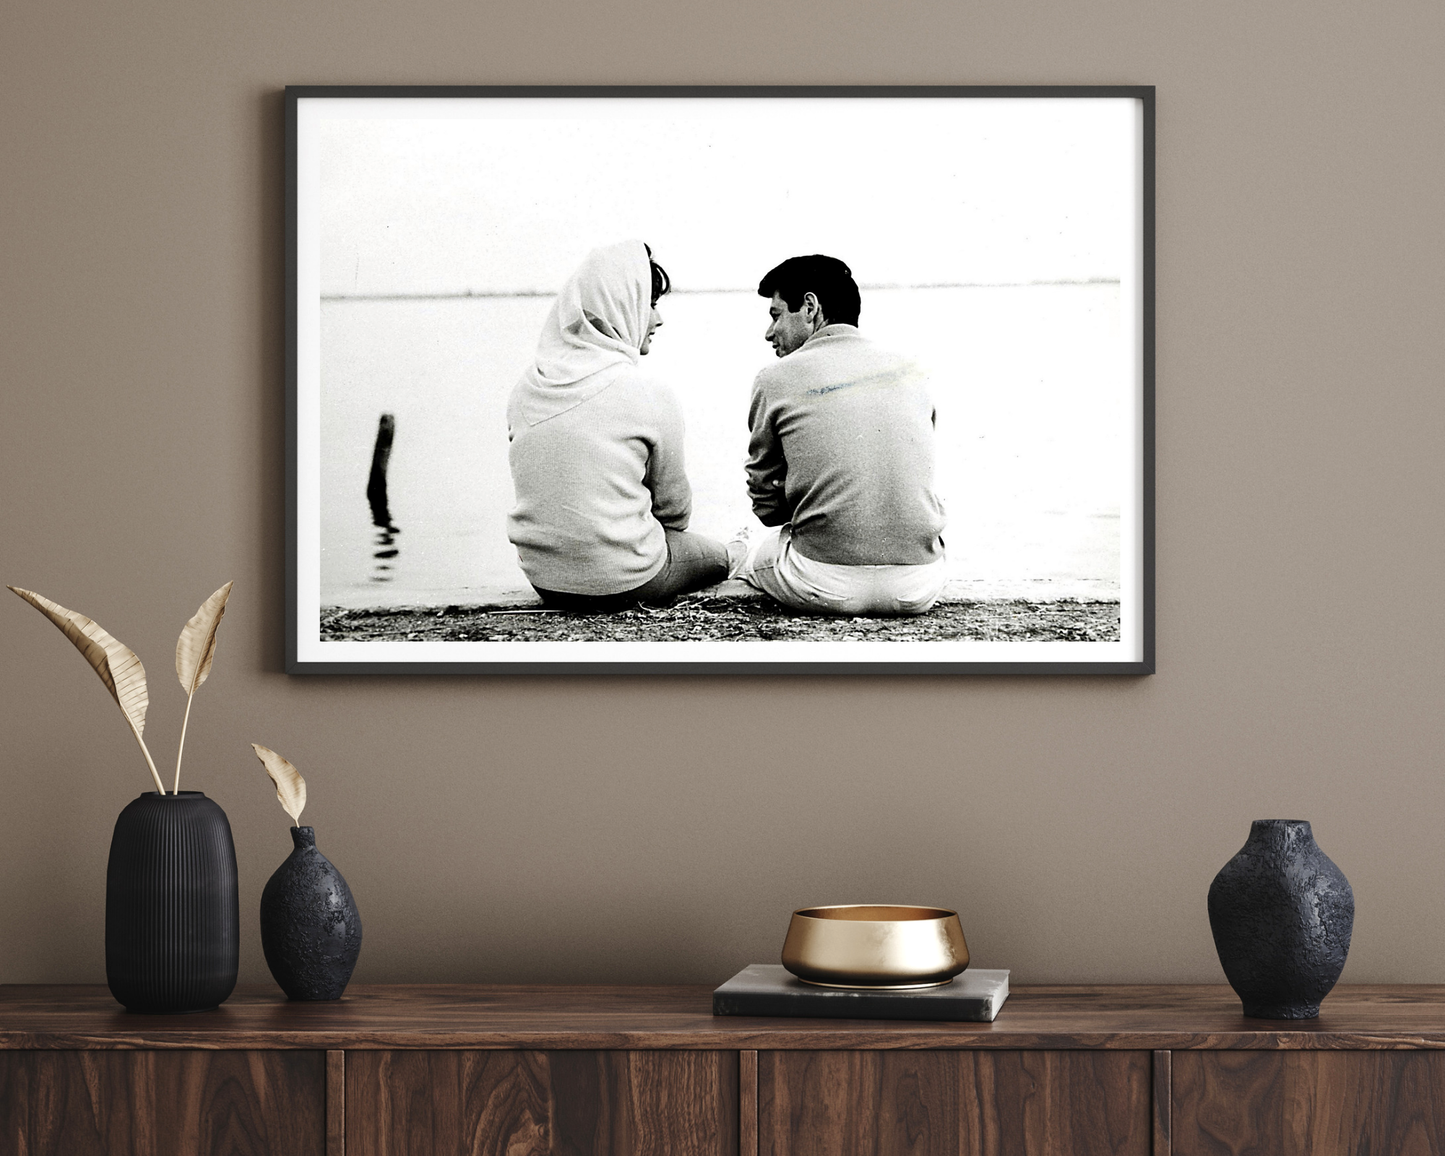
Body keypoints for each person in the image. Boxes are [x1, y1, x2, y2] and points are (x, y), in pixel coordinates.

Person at [506, 240, 729, 610]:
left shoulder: (526, 387)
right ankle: (736, 552)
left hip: (545, 580)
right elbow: (675, 514)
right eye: (651, 304)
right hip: (630, 580)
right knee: (720, 556)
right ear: (623, 305)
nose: (658, 319)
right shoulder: (647, 392)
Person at [732, 254, 948, 616]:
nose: (770, 332)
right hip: (919, 585)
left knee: (748, 549)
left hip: (823, 583)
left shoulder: (776, 378)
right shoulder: (912, 371)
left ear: (810, 307)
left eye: (776, 315)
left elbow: (766, 506)